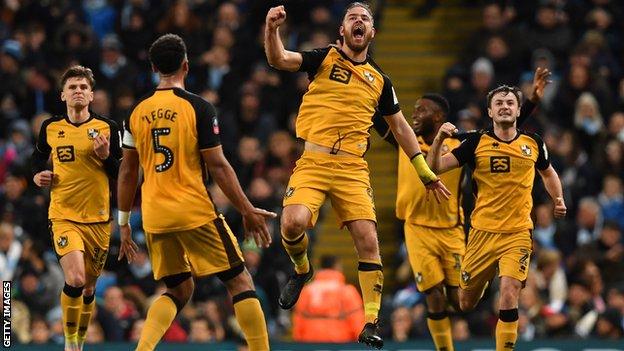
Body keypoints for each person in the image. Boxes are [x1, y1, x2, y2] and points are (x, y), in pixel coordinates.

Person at [264, 3, 450, 348]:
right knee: (292, 224)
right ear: (342, 30)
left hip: (352, 167)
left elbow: (401, 128)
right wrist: (272, 29)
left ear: (373, 33)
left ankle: (370, 321)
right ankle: (302, 269)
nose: (359, 22)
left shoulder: (381, 80)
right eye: (353, 18)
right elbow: (280, 60)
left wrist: (424, 171)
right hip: (315, 161)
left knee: (368, 241)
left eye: (365, 18)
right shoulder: (325, 58)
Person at [373, 67, 550, 350]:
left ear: (440, 117)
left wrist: (531, 101)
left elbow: (504, 135)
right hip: (416, 228)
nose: (415, 115)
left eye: (422, 110)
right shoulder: (407, 143)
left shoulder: (461, 143)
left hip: (452, 227)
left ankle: (490, 283)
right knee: (432, 293)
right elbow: (381, 117)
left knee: (462, 300)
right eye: (414, 110)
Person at [116, 34, 274, 351]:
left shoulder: (136, 112)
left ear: (153, 67)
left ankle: (142, 349)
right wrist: (247, 210)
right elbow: (217, 165)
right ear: (186, 66)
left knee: (179, 289)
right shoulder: (198, 107)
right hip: (193, 210)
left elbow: (128, 171)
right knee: (240, 281)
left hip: (155, 216)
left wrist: (122, 223)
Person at [427, 85, 566, 350]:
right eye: (499, 102)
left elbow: (548, 173)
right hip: (482, 233)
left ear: (518, 110)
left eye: (510, 102)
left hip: (518, 233)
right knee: (465, 302)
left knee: (510, 290)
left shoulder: (533, 143)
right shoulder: (476, 143)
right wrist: (439, 141)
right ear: (490, 111)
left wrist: (558, 199)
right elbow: (434, 167)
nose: (505, 106)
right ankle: (482, 278)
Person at [31, 65, 122, 351]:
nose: (78, 91)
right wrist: (37, 175)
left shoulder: (108, 128)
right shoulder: (51, 127)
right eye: (73, 87)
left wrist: (106, 156)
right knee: (76, 279)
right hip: (63, 215)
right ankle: (70, 344)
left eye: (83, 87)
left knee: (90, 288)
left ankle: (79, 342)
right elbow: (36, 160)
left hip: (98, 219)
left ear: (92, 95)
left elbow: (120, 171)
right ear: (63, 95)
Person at [292, 255, 364, 343]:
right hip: (339, 343)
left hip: (310, 342)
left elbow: (298, 320)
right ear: (337, 266)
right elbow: (356, 320)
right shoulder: (347, 291)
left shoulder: (306, 291)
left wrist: (298, 341)